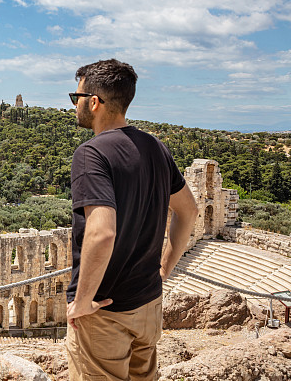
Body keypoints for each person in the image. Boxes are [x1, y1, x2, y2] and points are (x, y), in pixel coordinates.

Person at [65, 59, 198, 380]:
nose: (74, 105)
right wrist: (164, 270)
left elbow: (102, 234)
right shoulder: (155, 147)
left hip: (105, 312)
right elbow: (189, 211)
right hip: (148, 305)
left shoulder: (91, 154)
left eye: (76, 98)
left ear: (94, 103)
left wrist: (82, 302)